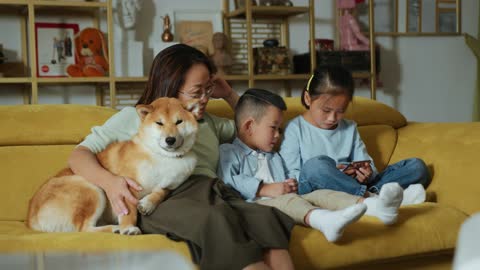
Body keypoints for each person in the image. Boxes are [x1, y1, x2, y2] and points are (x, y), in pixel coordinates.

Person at [68, 44, 295, 270]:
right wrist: (110, 183)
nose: (204, 98)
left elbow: (253, 127)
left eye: (209, 89)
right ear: (171, 86)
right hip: (165, 197)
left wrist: (228, 94)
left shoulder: (208, 122)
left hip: (215, 190)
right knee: (215, 219)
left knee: (264, 218)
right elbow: (79, 155)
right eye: (197, 91)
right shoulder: (136, 117)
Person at [217, 88, 406, 243]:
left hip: (290, 199)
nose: (277, 135)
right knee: (289, 201)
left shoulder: (274, 157)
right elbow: (228, 180)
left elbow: (290, 178)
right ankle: (324, 220)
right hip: (258, 208)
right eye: (273, 128)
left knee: (320, 195)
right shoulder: (230, 151)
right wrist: (265, 189)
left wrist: (291, 183)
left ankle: (374, 204)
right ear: (249, 126)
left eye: (279, 129)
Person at [280, 65, 430, 206]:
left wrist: (366, 174)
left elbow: (366, 163)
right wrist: (333, 174)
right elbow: (290, 176)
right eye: (326, 110)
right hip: (317, 190)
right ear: (308, 99)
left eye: (340, 111)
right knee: (316, 166)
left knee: (417, 167)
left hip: (353, 186)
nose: (332, 118)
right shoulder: (294, 129)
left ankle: (371, 196)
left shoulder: (349, 128)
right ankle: (370, 199)